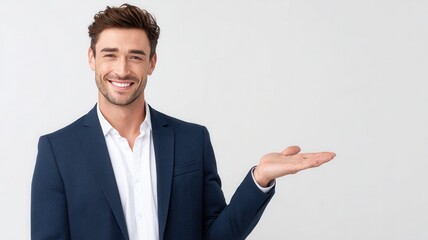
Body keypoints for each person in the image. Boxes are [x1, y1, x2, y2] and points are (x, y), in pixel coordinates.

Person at [31, 4, 336, 240]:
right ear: (91, 59)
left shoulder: (192, 140)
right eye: (110, 55)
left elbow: (218, 235)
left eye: (135, 56)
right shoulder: (58, 151)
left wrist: (259, 179)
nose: (122, 69)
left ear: (152, 62)